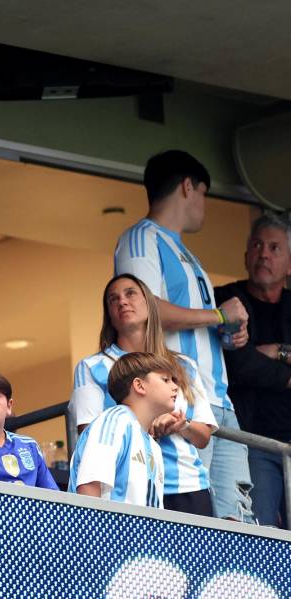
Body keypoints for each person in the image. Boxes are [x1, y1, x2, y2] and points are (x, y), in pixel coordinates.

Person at [114, 149, 253, 522]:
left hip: (217, 399)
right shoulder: (142, 237)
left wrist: (226, 332)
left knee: (236, 519)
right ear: (188, 186)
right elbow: (146, 309)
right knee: (193, 513)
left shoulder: (187, 254)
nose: (204, 205)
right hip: (181, 398)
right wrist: (219, 314)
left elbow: (195, 322)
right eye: (204, 193)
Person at [69, 274, 217, 515]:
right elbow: (89, 433)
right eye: (112, 299)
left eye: (130, 293)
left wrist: (180, 424)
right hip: (129, 488)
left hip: (188, 485)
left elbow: (204, 436)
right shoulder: (92, 366)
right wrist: (141, 424)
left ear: (150, 304)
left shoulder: (184, 365)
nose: (122, 302)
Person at [215, 214, 291, 527]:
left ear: (289, 263)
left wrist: (276, 351)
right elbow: (239, 365)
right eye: (257, 245)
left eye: (275, 248)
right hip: (251, 442)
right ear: (246, 256)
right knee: (262, 536)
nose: (264, 254)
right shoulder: (226, 299)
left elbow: (250, 361)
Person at [70, 352, 177, 508]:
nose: (175, 386)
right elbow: (89, 486)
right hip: (107, 531)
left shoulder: (153, 446)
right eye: (165, 380)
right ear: (139, 386)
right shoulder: (114, 421)